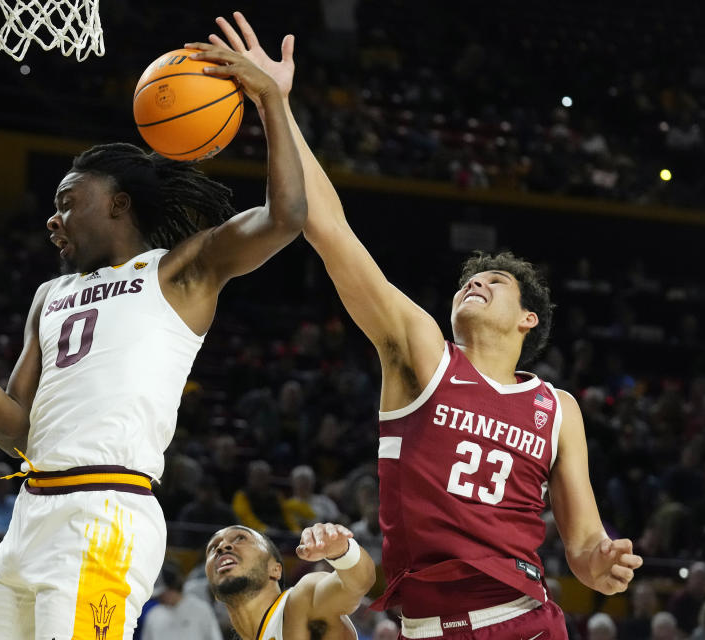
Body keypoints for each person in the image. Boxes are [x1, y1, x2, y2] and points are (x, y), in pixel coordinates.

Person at [199, 11, 643, 637]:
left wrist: (600, 564)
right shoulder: (422, 355)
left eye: (496, 283)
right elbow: (329, 229)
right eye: (470, 279)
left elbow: (584, 542)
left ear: (527, 320)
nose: (476, 282)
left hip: (525, 621)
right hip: (425, 626)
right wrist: (276, 104)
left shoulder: (557, 407)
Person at [0, 38, 306, 640]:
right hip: (29, 515)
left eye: (66, 202)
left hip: (106, 511)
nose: (51, 218)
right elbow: (14, 434)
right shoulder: (48, 297)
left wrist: (270, 99)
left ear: (117, 204)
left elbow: (286, 215)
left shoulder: (177, 271)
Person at [204, 523, 375, 640]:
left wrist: (342, 551)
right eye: (213, 547)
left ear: (275, 569)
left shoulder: (302, 601)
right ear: (214, 591)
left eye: (240, 538)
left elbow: (358, 583)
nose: (222, 547)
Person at [141, 562, 221, 640]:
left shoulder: (201, 610)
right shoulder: (153, 615)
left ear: (174, 587)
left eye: (164, 593)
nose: (160, 598)